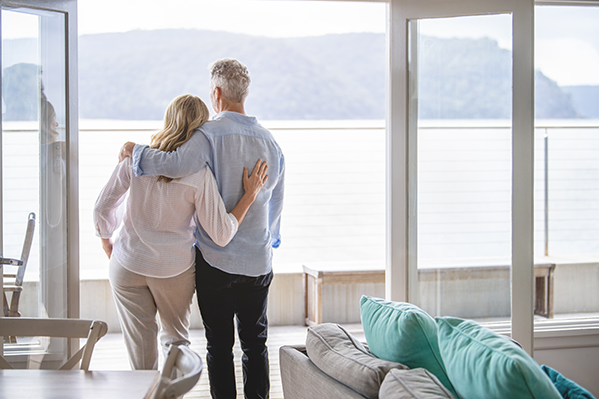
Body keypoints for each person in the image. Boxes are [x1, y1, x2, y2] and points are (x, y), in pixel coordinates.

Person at [119, 58, 285, 399]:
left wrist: (134, 152)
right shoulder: (272, 143)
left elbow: (176, 164)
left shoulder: (208, 134)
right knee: (256, 343)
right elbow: (276, 205)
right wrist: (272, 241)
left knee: (219, 344)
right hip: (258, 261)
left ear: (216, 92)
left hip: (216, 261)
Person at [94, 94, 269, 371]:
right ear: (201, 130)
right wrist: (249, 196)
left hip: (127, 265)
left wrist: (107, 241)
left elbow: (102, 207)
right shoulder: (199, 175)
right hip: (173, 271)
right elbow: (222, 233)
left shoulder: (134, 161)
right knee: (176, 345)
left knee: (140, 355)